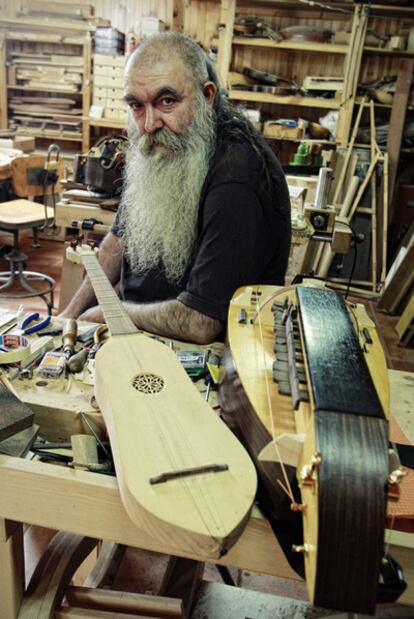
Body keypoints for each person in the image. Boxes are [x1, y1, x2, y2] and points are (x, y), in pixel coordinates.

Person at [61, 32, 291, 344]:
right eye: (136, 106)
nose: (148, 124)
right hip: (139, 329)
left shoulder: (238, 179)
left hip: (198, 354)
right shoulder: (167, 146)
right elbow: (118, 240)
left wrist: (110, 313)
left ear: (207, 96)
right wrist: (67, 316)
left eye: (166, 101)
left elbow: (200, 323)